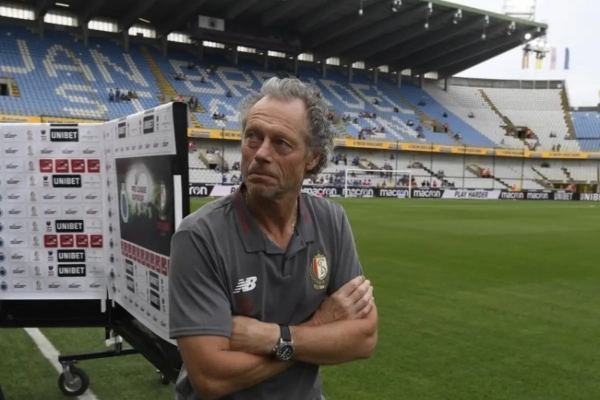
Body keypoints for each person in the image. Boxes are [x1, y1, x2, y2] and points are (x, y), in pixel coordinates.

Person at [169, 77, 378, 400]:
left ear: (312, 158)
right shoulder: (198, 236)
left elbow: (364, 338)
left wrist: (271, 337)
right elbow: (211, 377)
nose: (261, 153)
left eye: (281, 143)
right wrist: (316, 327)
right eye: (253, 137)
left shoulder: (331, 220)